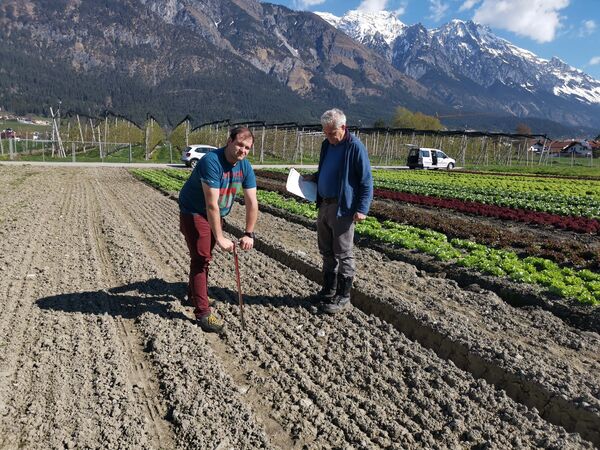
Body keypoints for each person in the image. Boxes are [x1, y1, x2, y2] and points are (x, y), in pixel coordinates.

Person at [179, 126, 258, 333]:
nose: (243, 150)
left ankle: (195, 295)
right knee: (201, 258)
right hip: (194, 211)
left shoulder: (245, 167)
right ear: (229, 141)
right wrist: (220, 237)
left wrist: (249, 232)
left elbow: (252, 201)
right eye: (240, 144)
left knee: (203, 255)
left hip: (215, 214)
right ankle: (203, 314)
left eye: (247, 148)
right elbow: (211, 204)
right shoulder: (211, 162)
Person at [306, 108, 373, 314]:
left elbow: (366, 181)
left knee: (343, 253)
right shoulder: (327, 145)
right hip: (324, 204)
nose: (328, 137)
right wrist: (314, 177)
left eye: (331, 133)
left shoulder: (355, 147)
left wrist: (362, 209)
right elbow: (328, 169)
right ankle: (328, 290)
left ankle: (343, 296)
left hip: (343, 207)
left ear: (343, 127)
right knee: (326, 250)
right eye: (325, 132)